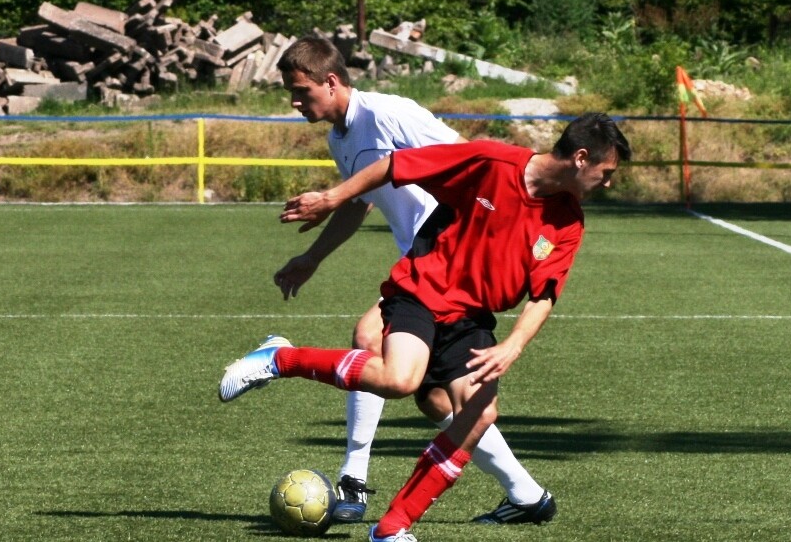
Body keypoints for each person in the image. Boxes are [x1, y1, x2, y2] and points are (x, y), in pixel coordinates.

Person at [219, 112, 631, 542]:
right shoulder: (493, 162)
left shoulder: (568, 221)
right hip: (423, 290)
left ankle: (391, 528)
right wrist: (333, 197)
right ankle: (280, 358)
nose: (608, 183)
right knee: (399, 379)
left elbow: (543, 295)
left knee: (478, 413)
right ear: (581, 158)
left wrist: (512, 346)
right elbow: (395, 166)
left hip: (471, 320)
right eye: (607, 173)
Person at [258, 36, 551, 525]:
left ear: (332, 82)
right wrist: (312, 257)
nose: (294, 101)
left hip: (448, 256)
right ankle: (526, 494)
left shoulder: (391, 113)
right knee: (436, 398)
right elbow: (358, 202)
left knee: (369, 336)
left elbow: (470, 163)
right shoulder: (339, 138)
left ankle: (352, 480)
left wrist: (472, 237)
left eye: (301, 90)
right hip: (421, 260)